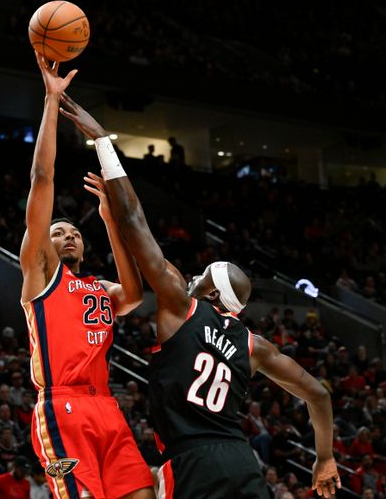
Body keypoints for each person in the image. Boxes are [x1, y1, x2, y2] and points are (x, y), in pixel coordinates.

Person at [60, 94, 340, 498]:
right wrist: (325, 457)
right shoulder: (255, 346)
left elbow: (134, 220)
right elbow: (318, 393)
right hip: (241, 461)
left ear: (211, 294)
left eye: (201, 276)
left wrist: (103, 141)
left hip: (192, 462)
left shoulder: (180, 305)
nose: (191, 277)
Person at [18, 52, 153, 499]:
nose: (68, 236)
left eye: (75, 232)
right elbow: (42, 178)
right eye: (58, 232)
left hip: (107, 407)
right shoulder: (40, 274)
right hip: (63, 405)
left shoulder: (97, 288)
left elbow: (134, 293)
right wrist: (51, 103)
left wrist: (112, 221)